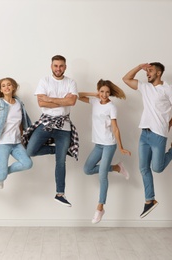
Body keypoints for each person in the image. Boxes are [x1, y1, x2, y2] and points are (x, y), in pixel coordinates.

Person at [122, 62, 172, 218]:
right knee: (143, 168)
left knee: (157, 168)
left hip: (158, 134)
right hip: (144, 133)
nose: (147, 73)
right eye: (147, 71)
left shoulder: (168, 89)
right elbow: (126, 79)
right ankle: (150, 200)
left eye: (150, 71)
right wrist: (138, 67)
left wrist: (168, 124)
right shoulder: (145, 87)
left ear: (159, 73)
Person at [23, 55, 79, 207]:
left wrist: (50, 99)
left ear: (65, 67)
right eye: (55, 66)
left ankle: (60, 194)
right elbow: (41, 102)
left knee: (61, 162)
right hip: (46, 122)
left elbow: (72, 101)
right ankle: (59, 150)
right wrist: (62, 100)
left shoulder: (71, 82)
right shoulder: (45, 81)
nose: (58, 69)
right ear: (51, 66)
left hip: (64, 126)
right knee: (30, 151)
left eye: (61, 66)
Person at [78, 79, 131, 224]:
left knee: (102, 175)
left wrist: (120, 146)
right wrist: (94, 94)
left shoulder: (112, 107)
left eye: (107, 92)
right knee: (87, 169)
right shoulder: (95, 101)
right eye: (102, 91)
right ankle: (116, 167)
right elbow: (77, 95)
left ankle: (100, 208)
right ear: (98, 91)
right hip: (98, 144)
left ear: (110, 93)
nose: (104, 94)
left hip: (109, 144)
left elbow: (115, 128)